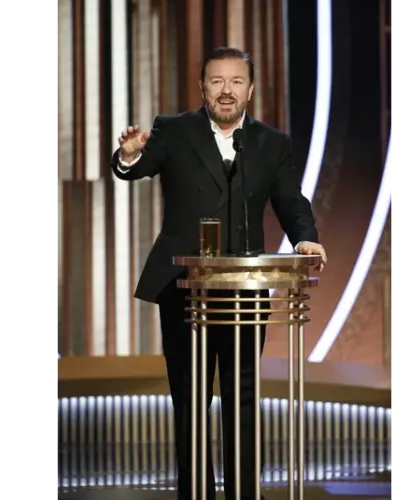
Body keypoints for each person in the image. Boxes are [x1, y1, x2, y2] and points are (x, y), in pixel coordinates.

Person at [110, 47, 327, 500]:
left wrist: (305, 238)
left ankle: (245, 493)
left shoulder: (270, 142)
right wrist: (128, 155)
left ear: (250, 89)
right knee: (190, 399)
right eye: (216, 81)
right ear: (202, 87)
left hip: (243, 290)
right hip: (185, 287)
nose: (226, 91)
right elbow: (136, 168)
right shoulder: (174, 130)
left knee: (243, 396)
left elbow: (291, 201)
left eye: (235, 81)